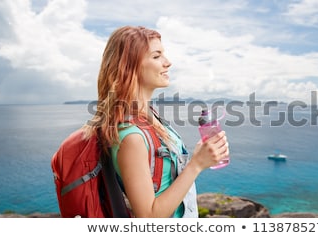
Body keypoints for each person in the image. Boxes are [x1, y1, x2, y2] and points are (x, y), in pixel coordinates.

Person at [83, 26, 229, 218]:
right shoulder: (131, 137)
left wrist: (204, 155)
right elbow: (149, 217)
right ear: (129, 66)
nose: (168, 63)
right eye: (156, 56)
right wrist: (196, 164)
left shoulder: (150, 117)